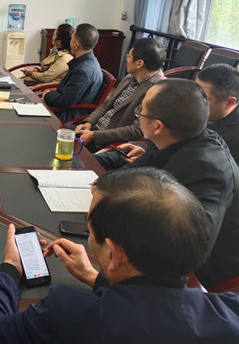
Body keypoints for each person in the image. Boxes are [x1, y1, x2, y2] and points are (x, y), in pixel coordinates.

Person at [0, 167, 239, 343]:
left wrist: (9, 268)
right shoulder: (229, 313)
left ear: (112, 253)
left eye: (90, 227)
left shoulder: (69, 311)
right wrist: (95, 277)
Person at [97, 79, 239, 288]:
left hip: (198, 273)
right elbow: (133, 172)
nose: (139, 115)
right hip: (153, 233)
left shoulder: (208, 170)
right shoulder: (172, 136)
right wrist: (103, 185)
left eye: (141, 111)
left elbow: (191, 248)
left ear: (157, 126)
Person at [74, 38, 165, 151]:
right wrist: (89, 122)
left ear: (139, 63)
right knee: (57, 133)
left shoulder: (157, 91)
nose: (126, 59)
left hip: (107, 142)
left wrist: (94, 135)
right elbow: (107, 104)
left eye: (129, 56)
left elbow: (137, 130)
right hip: (94, 128)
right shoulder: (130, 77)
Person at [41, 23, 103, 122]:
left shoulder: (83, 71)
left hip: (67, 116)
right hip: (65, 109)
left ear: (76, 44)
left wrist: (47, 95)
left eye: (71, 39)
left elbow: (65, 102)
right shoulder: (87, 61)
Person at [196, 63, 239, 163]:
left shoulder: (235, 139)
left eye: (203, 98)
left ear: (229, 103)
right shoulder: (191, 105)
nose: (192, 101)